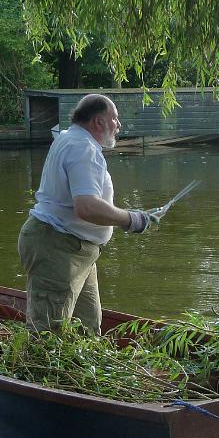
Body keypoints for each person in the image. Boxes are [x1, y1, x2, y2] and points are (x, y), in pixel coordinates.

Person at [18, 93, 156, 334]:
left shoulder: (70, 138)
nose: (118, 125)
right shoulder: (84, 149)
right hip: (58, 247)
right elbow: (87, 207)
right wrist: (131, 219)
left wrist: (131, 214)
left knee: (88, 327)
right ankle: (44, 371)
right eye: (114, 118)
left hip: (78, 250)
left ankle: (78, 370)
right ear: (98, 122)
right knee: (49, 333)